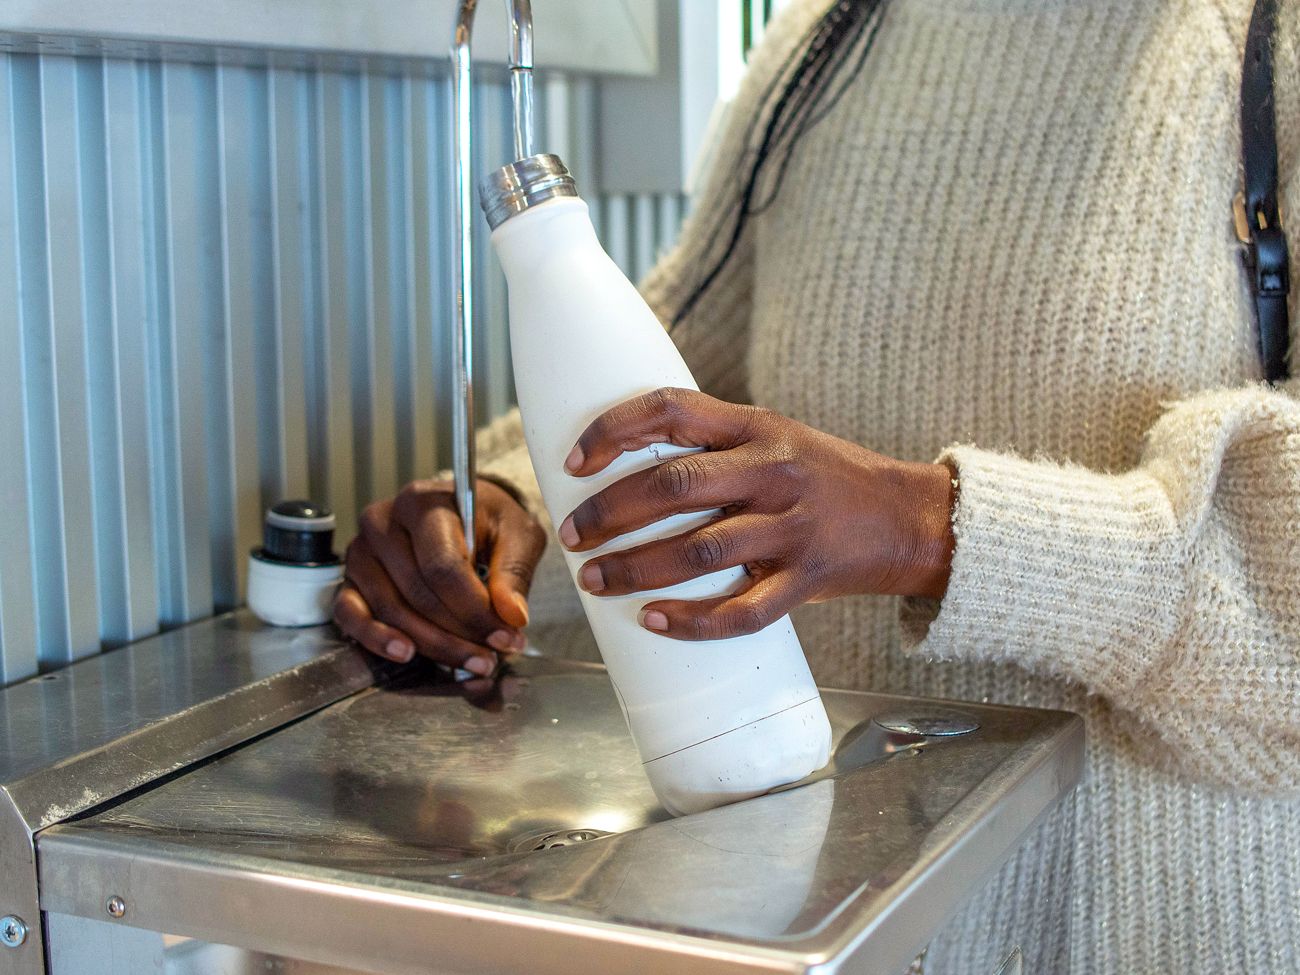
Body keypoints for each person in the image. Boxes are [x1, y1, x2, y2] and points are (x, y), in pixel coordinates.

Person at [334, 0, 1300, 970]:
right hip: (823, 924)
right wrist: (506, 507)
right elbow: (676, 372)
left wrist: (929, 530)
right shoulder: (829, 38)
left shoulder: (1266, 42)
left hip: (1147, 929)